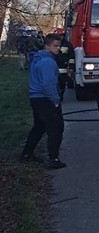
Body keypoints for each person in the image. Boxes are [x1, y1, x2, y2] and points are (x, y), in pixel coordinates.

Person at [19, 33, 67, 169]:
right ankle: (53, 159)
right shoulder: (48, 62)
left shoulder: (37, 58)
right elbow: (48, 84)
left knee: (39, 127)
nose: (58, 48)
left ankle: (26, 155)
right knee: (56, 128)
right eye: (55, 46)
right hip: (45, 99)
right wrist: (55, 100)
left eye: (59, 46)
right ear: (47, 45)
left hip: (35, 98)